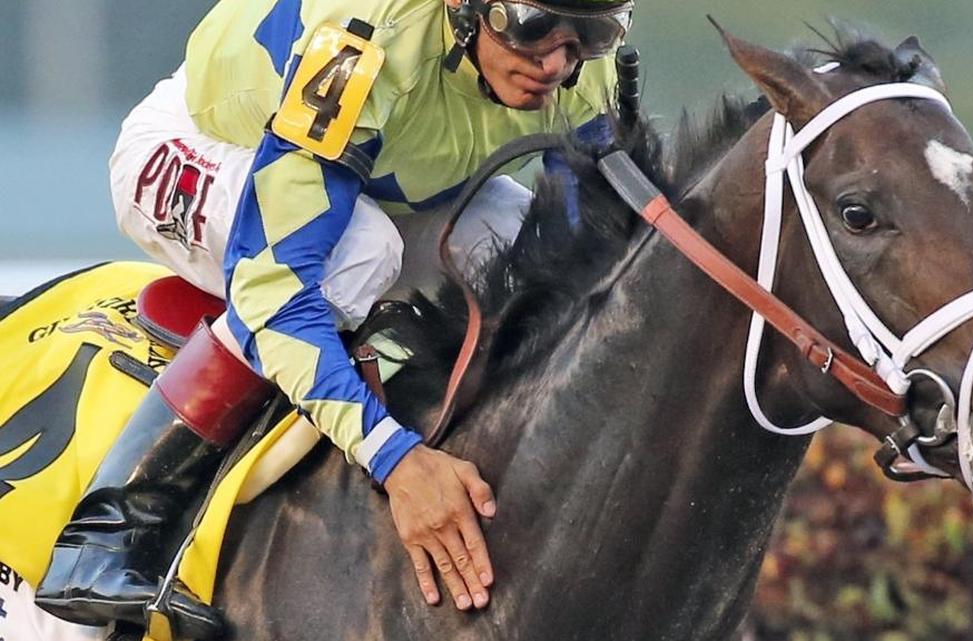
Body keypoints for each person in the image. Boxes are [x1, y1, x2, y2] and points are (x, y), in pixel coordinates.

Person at [34, 0, 634, 638]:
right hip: (204, 146)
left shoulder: (580, 64)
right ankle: (111, 525)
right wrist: (395, 460)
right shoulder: (362, 44)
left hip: (372, 170)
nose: (556, 60)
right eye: (532, 25)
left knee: (521, 241)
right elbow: (275, 290)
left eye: (592, 32)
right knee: (360, 252)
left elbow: (595, 258)